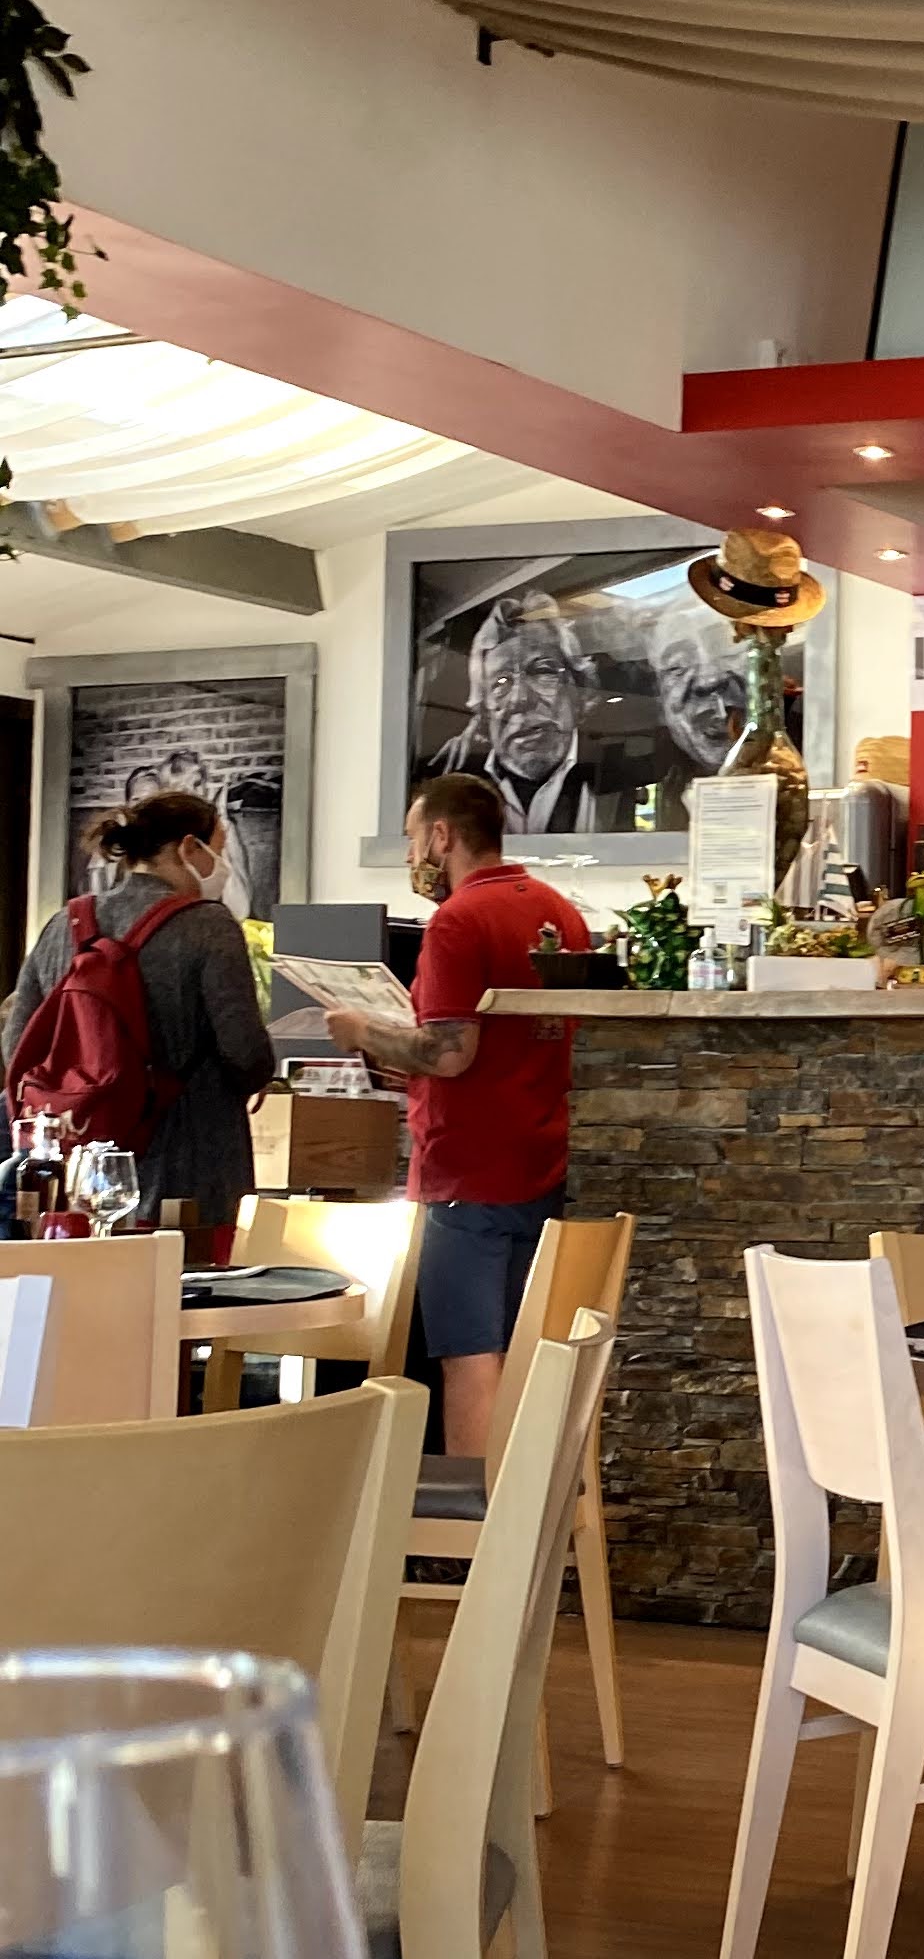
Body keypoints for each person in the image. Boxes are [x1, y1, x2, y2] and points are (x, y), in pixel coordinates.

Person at [326, 774, 588, 1460]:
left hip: (467, 1172)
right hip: (546, 1161)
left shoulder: (457, 921)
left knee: (470, 1356)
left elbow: (449, 1053)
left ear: (441, 835)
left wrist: (361, 1030)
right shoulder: (560, 911)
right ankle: (532, 1508)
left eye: (414, 838)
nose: (413, 855)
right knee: (530, 1354)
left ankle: (474, 1520)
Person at [3, 789, 276, 1229]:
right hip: (189, 1161)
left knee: (95, 1268)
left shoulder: (64, 924)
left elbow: (17, 1044)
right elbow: (245, 1053)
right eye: (220, 850)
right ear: (189, 847)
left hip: (82, 1161)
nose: (223, 866)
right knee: (191, 1269)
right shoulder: (208, 924)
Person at [425, 600, 607, 834]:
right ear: (484, 711)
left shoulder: (614, 768)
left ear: (582, 694)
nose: (519, 698)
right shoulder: (450, 779)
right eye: (500, 682)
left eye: (543, 671)